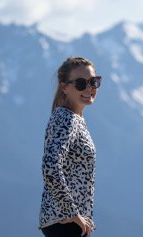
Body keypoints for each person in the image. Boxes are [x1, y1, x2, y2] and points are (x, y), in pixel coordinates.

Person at [39, 57, 102, 237]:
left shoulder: (75, 119)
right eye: (81, 83)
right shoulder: (65, 119)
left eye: (94, 82)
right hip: (65, 223)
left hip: (70, 222)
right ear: (64, 87)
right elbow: (50, 166)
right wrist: (72, 213)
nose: (89, 88)